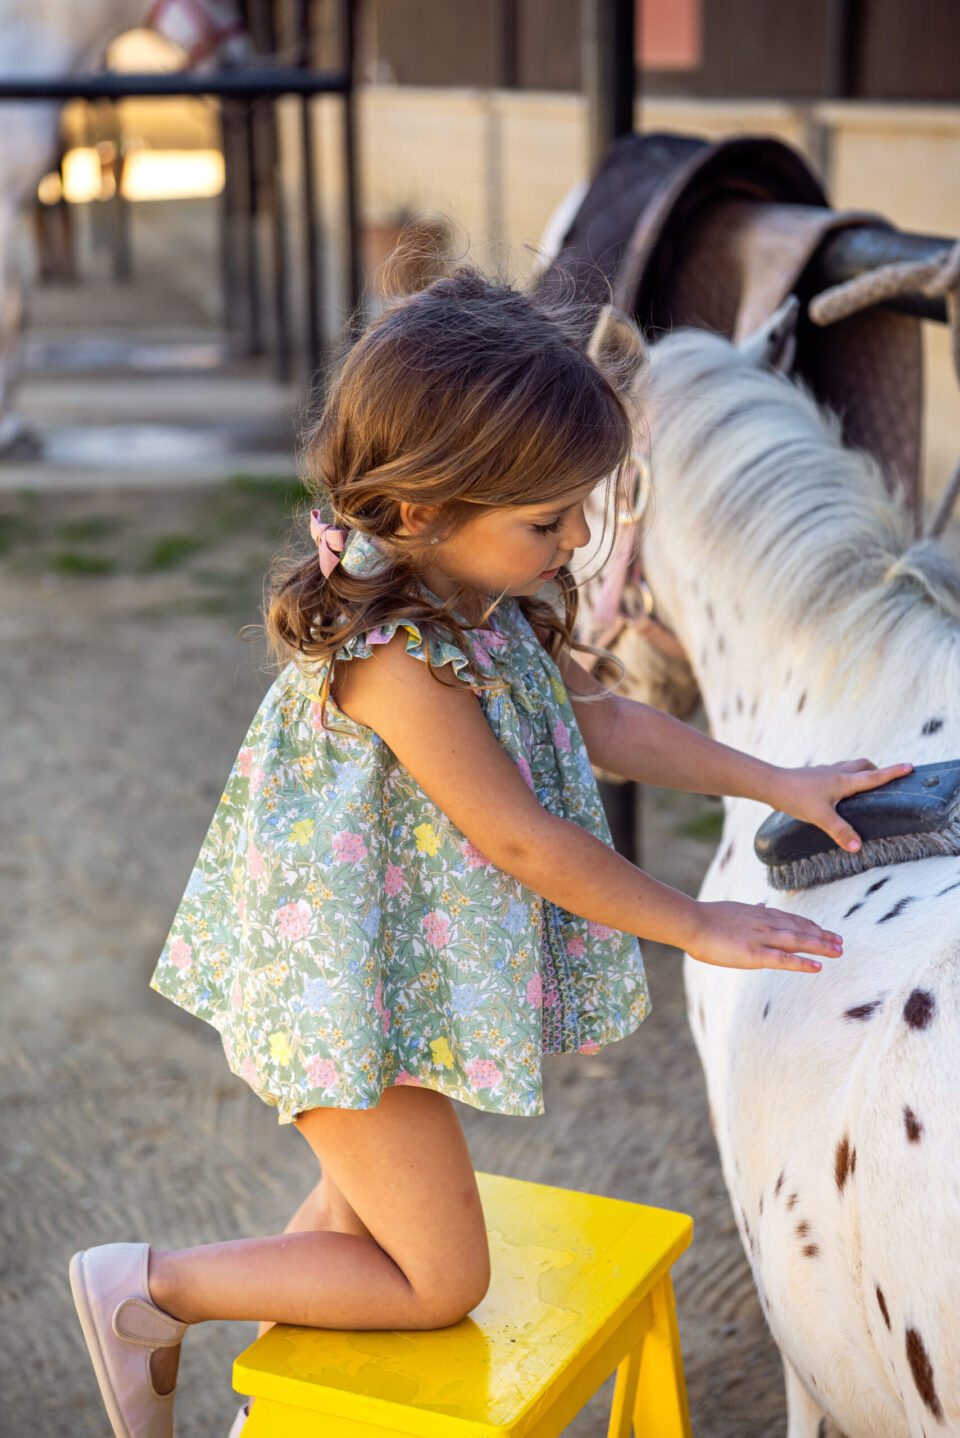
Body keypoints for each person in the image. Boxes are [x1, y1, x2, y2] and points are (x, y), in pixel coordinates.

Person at [68, 269, 911, 1438]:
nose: (575, 542)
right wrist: (698, 923)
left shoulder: (481, 601)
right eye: (549, 521)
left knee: (366, 1224)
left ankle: (303, 1416)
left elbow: (604, 722)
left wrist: (778, 776)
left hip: (382, 981)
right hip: (337, 1003)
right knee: (438, 1280)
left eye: (578, 513)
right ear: (421, 509)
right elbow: (518, 834)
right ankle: (148, 1290)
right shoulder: (395, 660)